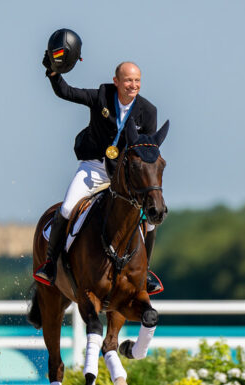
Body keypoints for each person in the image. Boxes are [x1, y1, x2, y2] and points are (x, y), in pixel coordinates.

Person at [34, 55, 159, 286]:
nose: (133, 85)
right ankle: (51, 264)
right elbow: (67, 92)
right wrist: (53, 73)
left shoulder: (148, 111)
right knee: (68, 207)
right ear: (116, 81)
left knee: (150, 221)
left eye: (137, 81)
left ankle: (145, 272)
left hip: (126, 175)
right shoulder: (101, 96)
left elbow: (148, 152)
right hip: (94, 167)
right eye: (128, 80)